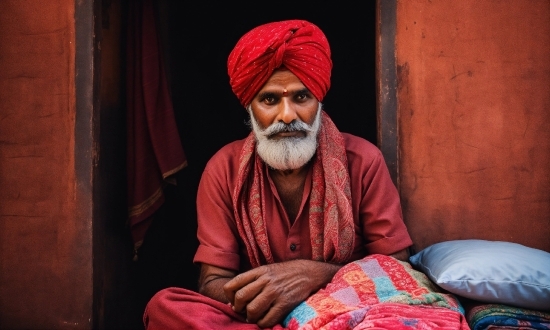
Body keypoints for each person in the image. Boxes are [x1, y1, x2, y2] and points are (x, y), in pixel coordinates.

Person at [143, 19, 413, 330]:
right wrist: (268, 294)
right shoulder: (223, 169)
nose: (287, 116)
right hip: (256, 319)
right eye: (270, 99)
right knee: (166, 307)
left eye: (301, 97)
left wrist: (310, 275)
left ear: (319, 102)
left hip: (342, 313)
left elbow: (397, 267)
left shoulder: (363, 161)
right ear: (250, 108)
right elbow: (213, 282)